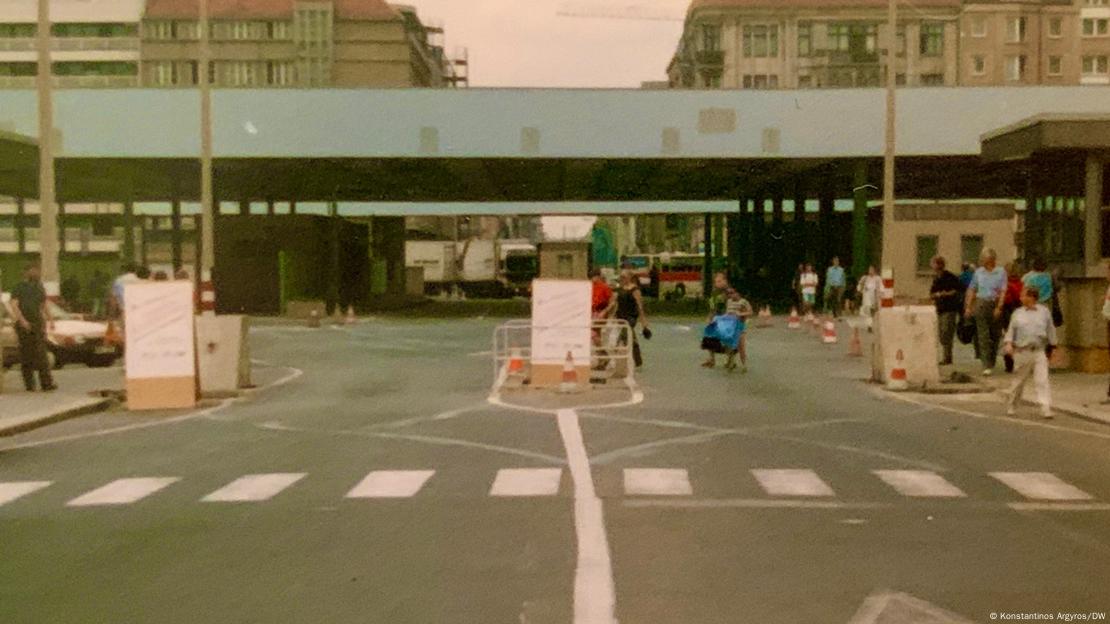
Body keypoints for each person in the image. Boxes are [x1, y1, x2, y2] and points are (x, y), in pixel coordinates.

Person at [1003, 285, 1057, 419]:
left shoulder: (1044, 311)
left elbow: (1051, 329)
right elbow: (1011, 331)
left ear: (1031, 297)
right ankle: (1012, 404)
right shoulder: (1017, 313)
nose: (1021, 297)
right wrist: (1009, 344)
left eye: (1023, 295)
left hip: (1039, 351)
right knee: (1019, 381)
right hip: (1022, 351)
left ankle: (1045, 408)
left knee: (1042, 380)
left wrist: (1054, 346)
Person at [9, 263, 56, 392]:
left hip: (37, 323)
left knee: (42, 354)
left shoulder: (39, 287)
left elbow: (43, 304)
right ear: (26, 272)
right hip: (23, 325)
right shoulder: (18, 287)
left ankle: (46, 383)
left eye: (38, 271)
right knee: (26, 355)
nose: (37, 273)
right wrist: (22, 321)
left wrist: (50, 320)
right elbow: (14, 305)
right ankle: (29, 385)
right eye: (34, 271)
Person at [964, 249, 1007, 376]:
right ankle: (986, 364)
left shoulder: (1001, 272)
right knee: (983, 335)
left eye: (988, 260)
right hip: (981, 303)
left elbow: (1003, 290)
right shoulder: (978, 272)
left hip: (995, 302)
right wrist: (968, 306)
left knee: (995, 334)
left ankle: (991, 360)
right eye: (984, 260)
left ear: (993, 260)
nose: (986, 263)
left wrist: (999, 307)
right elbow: (972, 289)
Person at [609, 269, 649, 368]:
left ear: (629, 278)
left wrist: (644, 324)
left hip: (630, 317)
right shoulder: (618, 290)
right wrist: (610, 315)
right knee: (627, 337)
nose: (621, 279)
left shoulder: (635, 290)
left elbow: (640, 307)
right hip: (620, 316)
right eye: (620, 277)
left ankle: (609, 360)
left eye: (623, 277)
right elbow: (614, 304)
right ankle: (637, 360)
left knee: (623, 335)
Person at [701, 272, 741, 370]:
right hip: (716, 317)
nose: (717, 283)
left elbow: (737, 303)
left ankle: (731, 360)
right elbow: (712, 305)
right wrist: (710, 317)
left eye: (719, 281)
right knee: (710, 337)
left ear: (725, 281)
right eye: (716, 281)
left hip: (727, 318)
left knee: (727, 339)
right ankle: (711, 359)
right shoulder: (715, 292)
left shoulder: (729, 292)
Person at [929, 256, 962, 366]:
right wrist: (935, 295)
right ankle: (946, 356)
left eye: (933, 264)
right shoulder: (936, 278)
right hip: (940, 308)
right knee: (941, 333)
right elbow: (932, 293)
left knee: (947, 331)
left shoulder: (950, 277)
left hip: (950, 308)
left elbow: (957, 290)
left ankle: (947, 357)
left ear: (939, 265)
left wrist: (945, 293)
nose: (932, 266)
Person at [1000, 261, 1025, 373]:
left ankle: (1009, 363)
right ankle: (1019, 361)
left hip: (1006, 312)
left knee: (1008, 338)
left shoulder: (1005, 284)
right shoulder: (1021, 284)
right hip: (1018, 311)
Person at [725, 287, 753, 372]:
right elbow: (727, 312)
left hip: (740, 325)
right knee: (729, 346)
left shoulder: (744, 302)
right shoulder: (729, 301)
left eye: (732, 293)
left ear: (737, 293)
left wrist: (741, 313)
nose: (730, 295)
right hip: (730, 326)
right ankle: (731, 363)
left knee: (741, 347)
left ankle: (744, 365)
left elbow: (751, 312)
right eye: (728, 293)